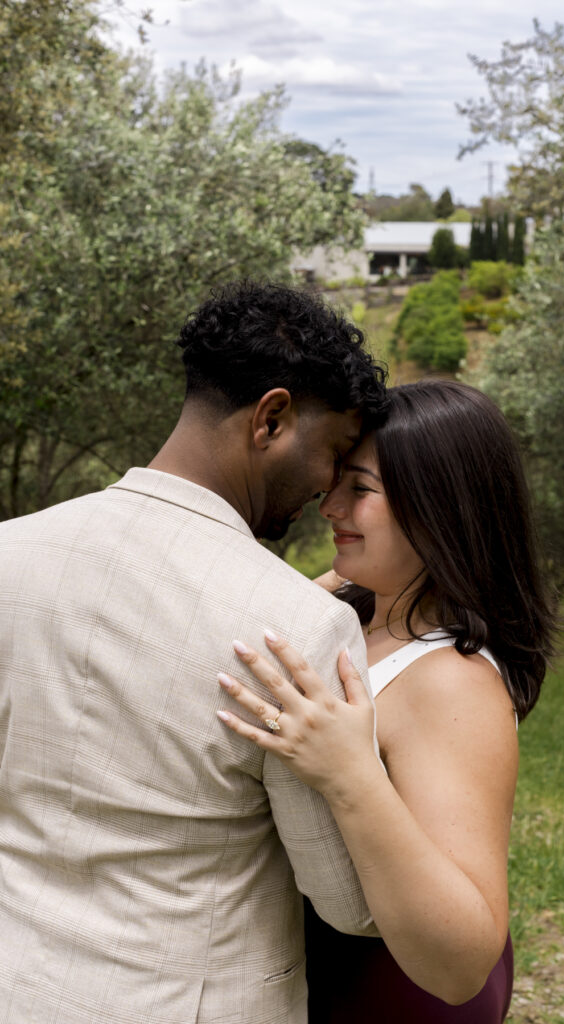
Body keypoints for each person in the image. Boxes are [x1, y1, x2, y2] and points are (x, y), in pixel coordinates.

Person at [0, 280, 389, 1024]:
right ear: (271, 418)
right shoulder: (299, 627)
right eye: (335, 451)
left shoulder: (9, 555)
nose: (329, 487)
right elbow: (348, 901)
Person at [216, 379, 555, 1023]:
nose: (329, 506)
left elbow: (461, 965)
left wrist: (349, 774)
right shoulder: (354, 599)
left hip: (394, 993)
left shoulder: (453, 680)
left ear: (439, 508)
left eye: (361, 489)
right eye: (336, 481)